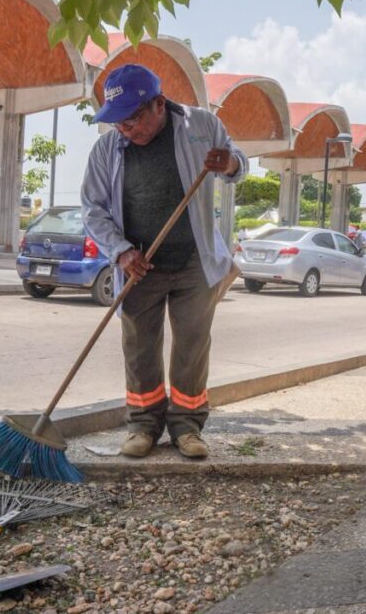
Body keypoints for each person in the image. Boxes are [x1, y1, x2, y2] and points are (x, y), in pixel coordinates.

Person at [81, 64, 247, 459]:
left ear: (158, 104)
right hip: (141, 263)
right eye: (116, 122)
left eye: (132, 119)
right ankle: (143, 425)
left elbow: (237, 164)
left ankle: (187, 427)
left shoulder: (201, 125)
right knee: (139, 346)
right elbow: (93, 209)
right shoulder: (107, 149)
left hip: (194, 261)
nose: (125, 129)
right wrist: (121, 251)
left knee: (192, 344)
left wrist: (229, 164)